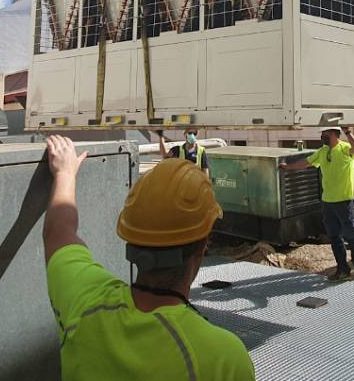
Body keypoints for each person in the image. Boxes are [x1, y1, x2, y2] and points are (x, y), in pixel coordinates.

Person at [42, 135, 254, 380]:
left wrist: (65, 175)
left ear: (132, 242)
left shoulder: (84, 301)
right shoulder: (223, 358)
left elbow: (57, 232)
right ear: (202, 248)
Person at [279, 126, 354, 281]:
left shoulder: (344, 148)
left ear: (332, 134)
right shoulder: (322, 151)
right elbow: (306, 163)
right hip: (327, 201)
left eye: (324, 134)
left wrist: (348, 132)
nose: (322, 137)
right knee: (334, 236)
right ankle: (342, 269)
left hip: (344, 200)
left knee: (351, 235)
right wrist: (288, 167)